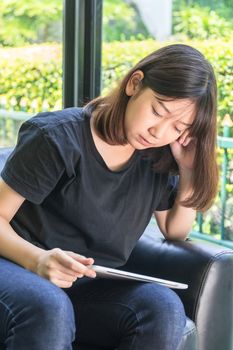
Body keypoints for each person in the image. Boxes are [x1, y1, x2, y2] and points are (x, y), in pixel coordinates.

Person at [0, 43, 218, 350]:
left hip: (83, 283)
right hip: (16, 266)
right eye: (158, 111)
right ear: (135, 83)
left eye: (179, 127)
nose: (159, 132)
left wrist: (189, 169)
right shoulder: (57, 137)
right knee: (49, 306)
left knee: (163, 308)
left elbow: (176, 230)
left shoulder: (154, 157)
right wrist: (37, 260)